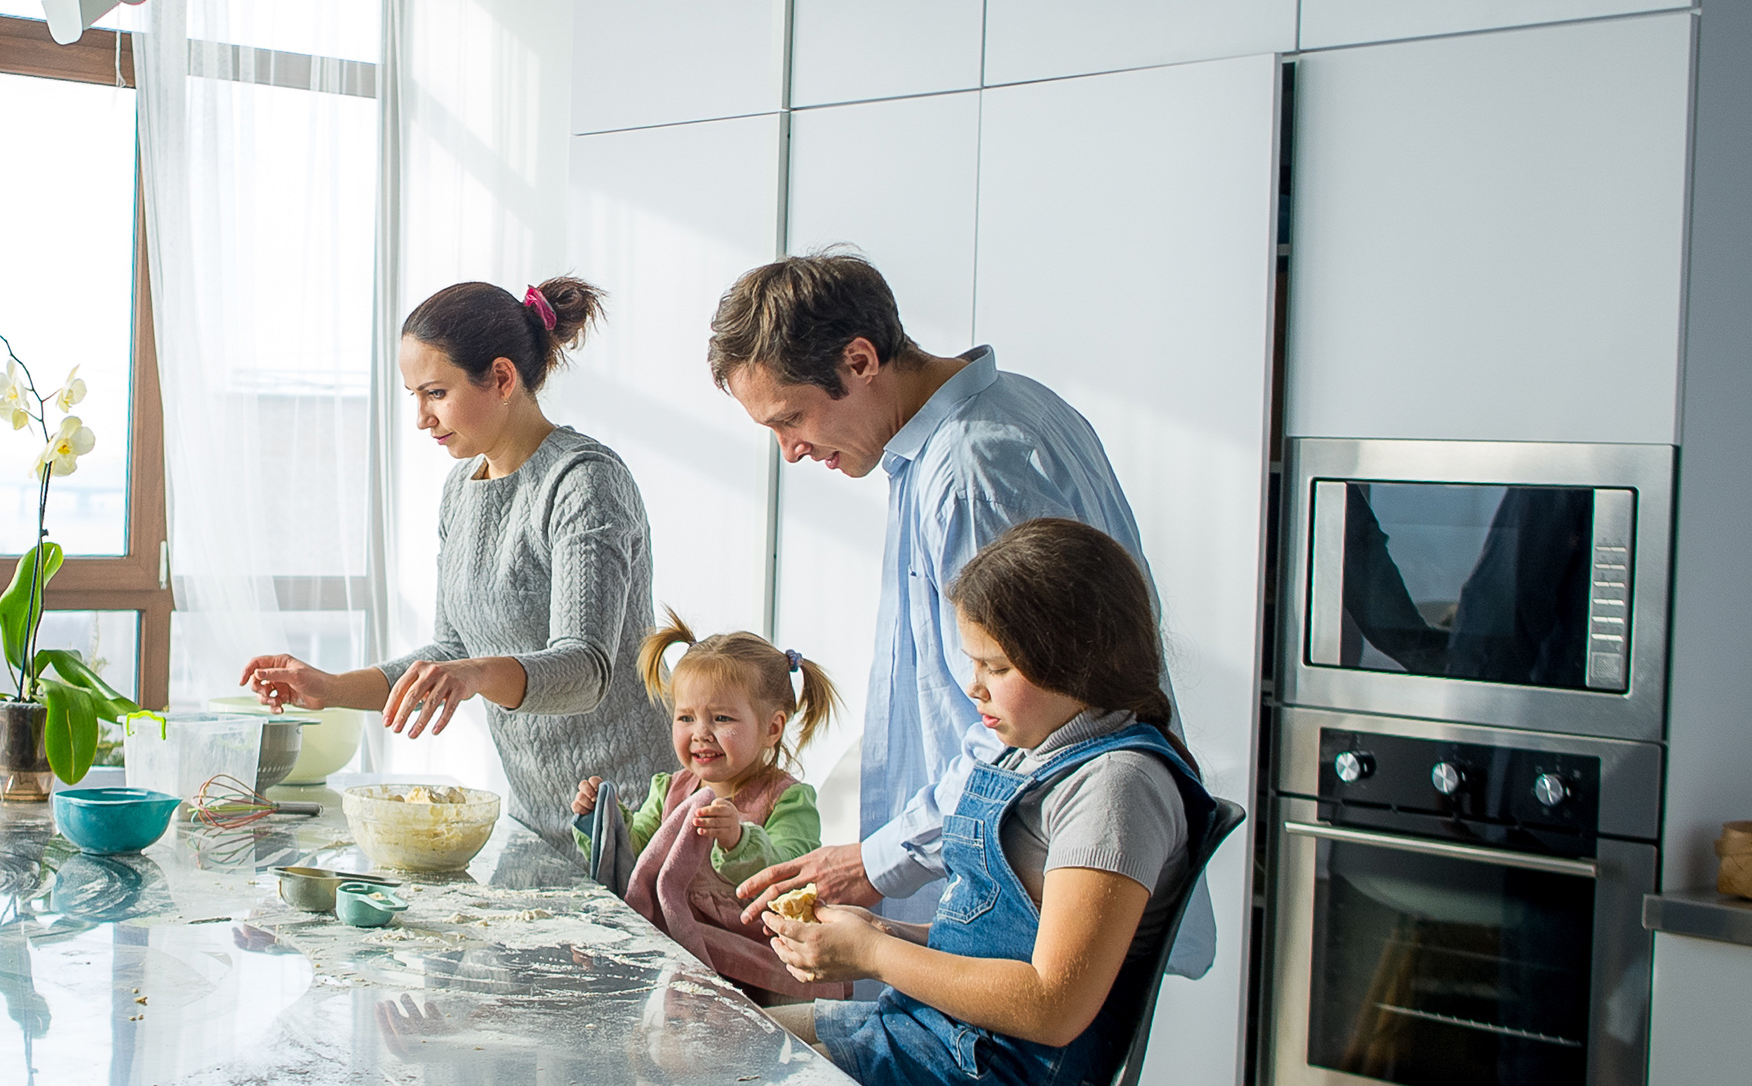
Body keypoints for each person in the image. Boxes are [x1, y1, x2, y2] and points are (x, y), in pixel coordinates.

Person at [705, 250, 1208, 976]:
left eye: (792, 418)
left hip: (1022, 885)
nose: (791, 450)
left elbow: (1022, 718)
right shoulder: (1012, 410)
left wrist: (875, 863)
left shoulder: (972, 474)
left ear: (859, 359)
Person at [762, 519, 1216, 1086]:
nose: (973, 686)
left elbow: (1052, 1004)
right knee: (720, 1038)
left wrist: (871, 955)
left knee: (728, 1069)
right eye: (974, 662)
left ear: (1076, 658)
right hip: (955, 1041)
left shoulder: (1114, 788)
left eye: (996, 667)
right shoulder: (1038, 757)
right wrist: (879, 930)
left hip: (999, 1077)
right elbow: (999, 946)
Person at [239, 278, 672, 842]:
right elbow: (453, 650)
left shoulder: (584, 481)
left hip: (636, 818)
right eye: (413, 395)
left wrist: (475, 674)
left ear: (500, 378)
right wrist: (333, 688)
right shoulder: (462, 488)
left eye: (435, 393)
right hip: (538, 815)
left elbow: (586, 670)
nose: (421, 417)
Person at [571, 611, 846, 1002]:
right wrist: (602, 817)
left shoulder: (787, 798)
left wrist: (738, 840)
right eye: (685, 717)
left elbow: (793, 873)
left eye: (721, 718)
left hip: (758, 973)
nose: (700, 733)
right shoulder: (669, 789)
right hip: (679, 966)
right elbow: (636, 859)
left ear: (772, 728)